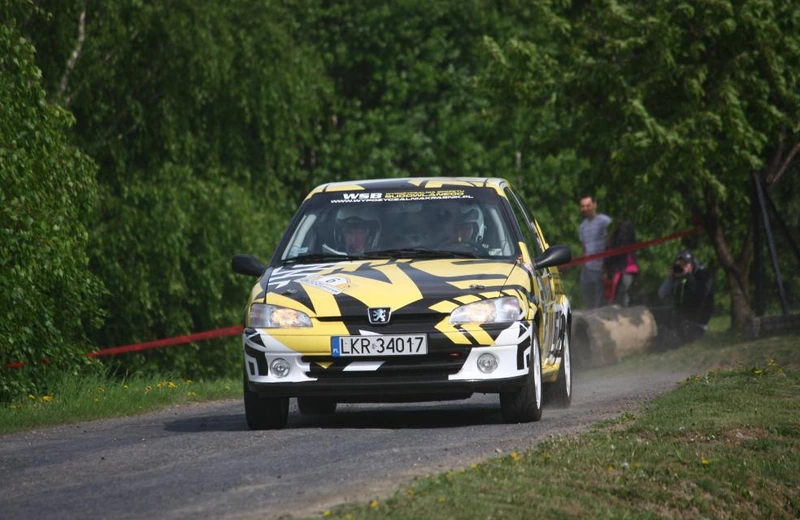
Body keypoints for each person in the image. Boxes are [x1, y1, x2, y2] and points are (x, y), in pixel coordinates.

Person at [657, 249, 714, 344]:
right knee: (656, 315)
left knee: (665, 340)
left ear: (691, 264)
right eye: (680, 264)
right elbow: (661, 294)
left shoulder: (703, 276)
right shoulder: (678, 276)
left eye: (685, 264)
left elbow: (699, 297)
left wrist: (688, 276)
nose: (682, 267)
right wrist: (670, 279)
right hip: (681, 318)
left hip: (696, 323)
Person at [578, 194, 612, 308]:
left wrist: (606, 266)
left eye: (588, 205)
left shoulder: (604, 221)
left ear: (594, 205)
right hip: (587, 268)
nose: (585, 208)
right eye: (583, 206)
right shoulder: (582, 226)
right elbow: (584, 248)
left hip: (601, 267)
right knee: (588, 301)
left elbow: (609, 244)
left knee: (600, 304)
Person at [603, 219, 639, 307]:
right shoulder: (614, 244)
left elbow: (609, 260)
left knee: (622, 297)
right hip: (622, 272)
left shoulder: (620, 243)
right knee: (620, 297)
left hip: (624, 271)